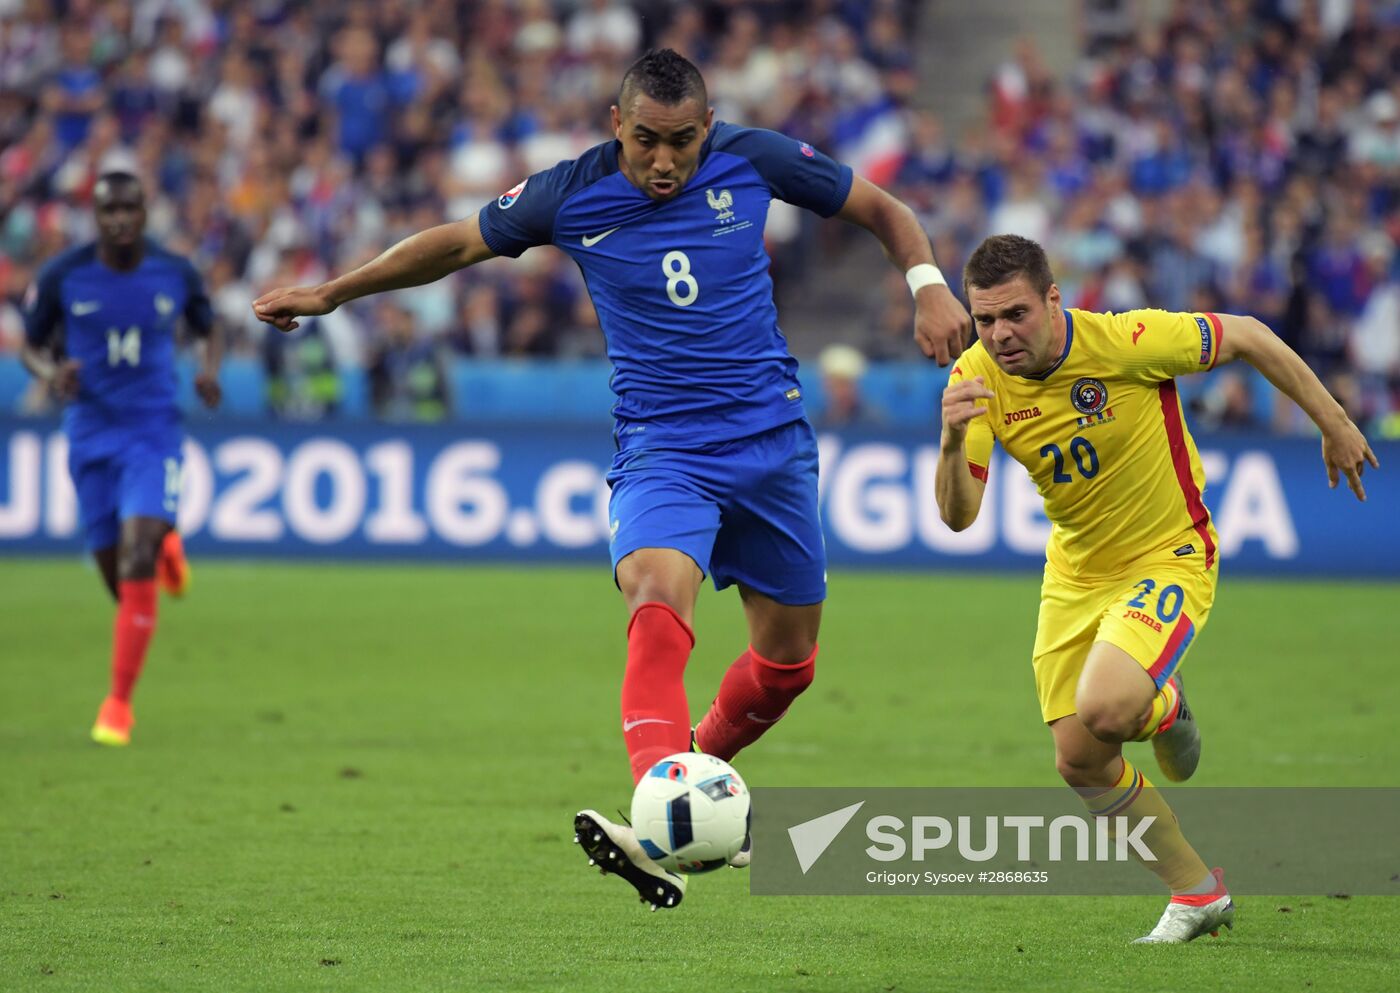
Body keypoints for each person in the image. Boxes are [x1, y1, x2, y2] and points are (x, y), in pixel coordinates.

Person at [253, 49, 970, 909]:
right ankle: (664, 801)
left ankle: (676, 800)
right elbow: (452, 245)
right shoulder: (569, 191)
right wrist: (334, 293)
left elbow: (880, 207)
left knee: (788, 666)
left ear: (707, 128)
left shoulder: (755, 158)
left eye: (679, 143)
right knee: (658, 602)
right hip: (663, 447)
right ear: (615, 126)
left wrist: (927, 284)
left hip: (772, 441)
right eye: (644, 142)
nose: (662, 162)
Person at [934, 234, 1378, 943]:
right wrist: (954, 441)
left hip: (1167, 553)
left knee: (1108, 705)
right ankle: (1197, 892)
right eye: (984, 319)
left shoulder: (1125, 340)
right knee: (1079, 757)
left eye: (1014, 314)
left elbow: (1250, 334)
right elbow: (959, 517)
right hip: (1076, 572)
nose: (999, 335)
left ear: (1054, 299)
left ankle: (1159, 704)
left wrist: (1334, 422)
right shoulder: (976, 377)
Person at [22, 171, 223, 746]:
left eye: (129, 208)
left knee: (134, 557)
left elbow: (211, 328)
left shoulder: (175, 272)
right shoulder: (64, 275)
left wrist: (209, 371)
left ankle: (117, 705)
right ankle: (166, 547)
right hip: (89, 434)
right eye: (109, 210)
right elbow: (31, 345)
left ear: (144, 211)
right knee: (120, 579)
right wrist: (50, 372)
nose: (120, 219)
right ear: (96, 214)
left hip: (152, 430)